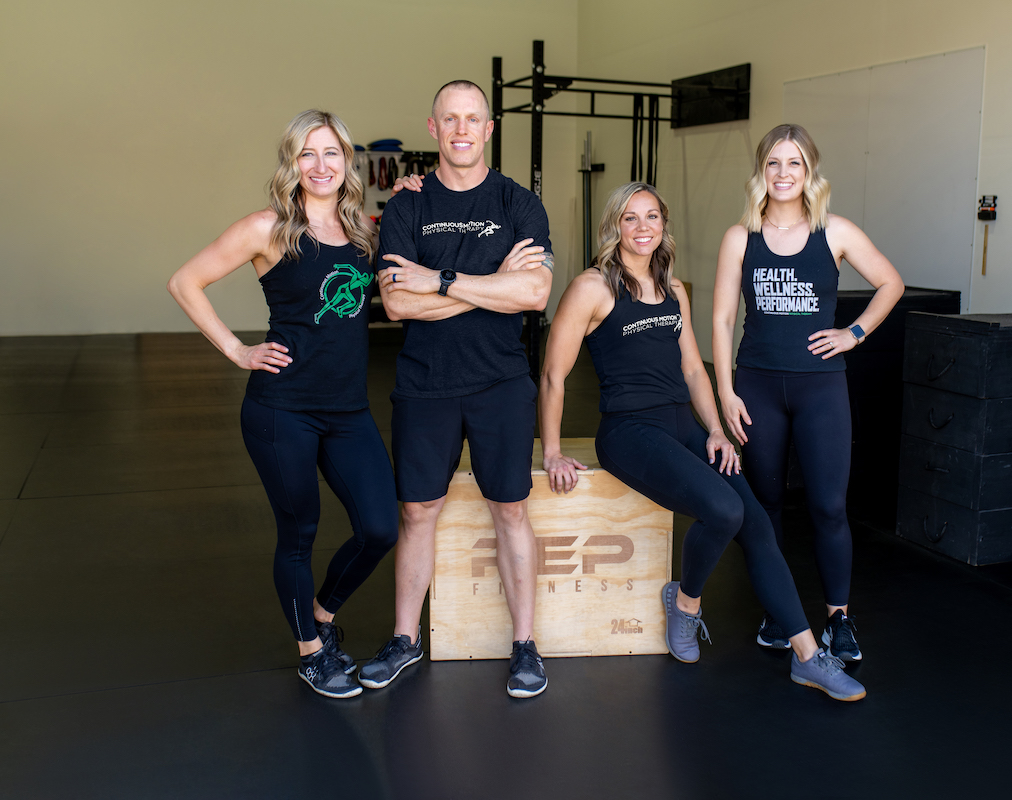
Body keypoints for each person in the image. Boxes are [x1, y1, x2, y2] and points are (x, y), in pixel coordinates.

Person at [539, 182, 865, 701]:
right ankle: (686, 603)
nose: (642, 227)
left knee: (754, 519)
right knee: (723, 509)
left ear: (664, 225)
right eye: (630, 218)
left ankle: (808, 657)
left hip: (682, 423)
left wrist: (715, 427)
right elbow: (554, 375)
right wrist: (552, 450)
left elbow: (693, 368)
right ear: (613, 227)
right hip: (628, 430)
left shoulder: (673, 289)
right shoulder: (593, 288)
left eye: (652, 217)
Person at [167, 109, 399, 699]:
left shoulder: (364, 233)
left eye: (332, 154)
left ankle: (321, 614)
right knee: (299, 531)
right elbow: (185, 281)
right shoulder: (268, 228)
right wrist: (236, 351)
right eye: (307, 154)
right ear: (292, 163)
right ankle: (310, 651)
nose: (320, 166)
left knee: (380, 526)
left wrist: (411, 192)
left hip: (347, 409)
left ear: (348, 162)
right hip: (282, 409)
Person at [362, 80, 554, 699]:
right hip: (425, 385)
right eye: (451, 119)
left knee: (510, 510)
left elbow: (533, 295)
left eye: (473, 119)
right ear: (433, 128)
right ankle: (403, 640)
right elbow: (395, 302)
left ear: (490, 127)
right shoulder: (406, 206)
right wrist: (486, 282)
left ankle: (525, 646)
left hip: (501, 382)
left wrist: (439, 280)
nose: (462, 129)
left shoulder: (519, 204)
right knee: (417, 512)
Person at [712, 124, 903, 661]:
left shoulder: (835, 232)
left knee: (827, 506)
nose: (783, 173)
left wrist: (854, 333)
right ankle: (781, 614)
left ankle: (838, 619)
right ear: (761, 172)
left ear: (809, 171)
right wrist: (724, 390)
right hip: (757, 384)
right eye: (773, 163)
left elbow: (891, 282)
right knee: (766, 504)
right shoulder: (739, 236)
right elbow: (724, 318)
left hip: (821, 387)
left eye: (793, 163)